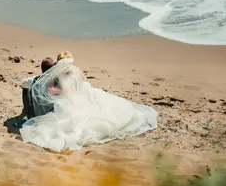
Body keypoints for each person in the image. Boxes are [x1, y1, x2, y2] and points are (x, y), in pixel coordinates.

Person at [20, 57, 158, 152]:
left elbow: (24, 84)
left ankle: (25, 112)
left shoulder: (39, 80)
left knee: (27, 91)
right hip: (63, 104)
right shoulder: (63, 78)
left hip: (54, 108)